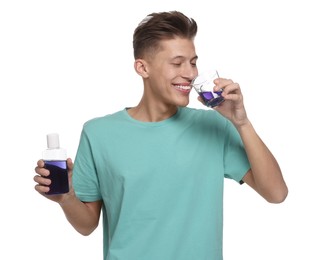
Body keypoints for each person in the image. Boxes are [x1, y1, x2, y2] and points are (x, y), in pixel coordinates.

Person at [34, 10, 288, 260]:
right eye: (177, 63)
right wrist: (66, 198)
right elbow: (87, 224)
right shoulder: (98, 133)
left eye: (193, 62)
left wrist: (241, 123)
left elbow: (276, 194)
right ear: (143, 68)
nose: (190, 74)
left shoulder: (213, 126)